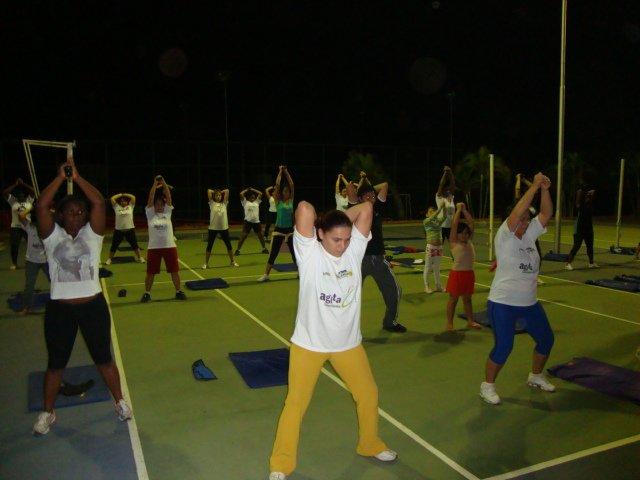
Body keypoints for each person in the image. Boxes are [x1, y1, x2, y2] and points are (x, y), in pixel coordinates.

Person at [267, 196, 396, 480]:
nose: (342, 246)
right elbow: (304, 208)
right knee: (295, 404)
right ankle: (282, 463)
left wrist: (340, 222)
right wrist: (329, 221)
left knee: (368, 394)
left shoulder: (353, 251)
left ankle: (369, 444)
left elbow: (367, 208)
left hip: (348, 346)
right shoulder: (309, 253)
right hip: (309, 346)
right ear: (320, 234)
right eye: (336, 239)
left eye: (347, 239)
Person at [33, 149, 131, 435]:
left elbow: (98, 202)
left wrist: (76, 177)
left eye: (80, 212)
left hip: (92, 307)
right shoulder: (52, 237)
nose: (76, 216)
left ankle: (120, 402)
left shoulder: (93, 235)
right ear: (61, 215)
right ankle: (47, 412)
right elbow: (41, 205)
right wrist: (59, 178)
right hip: (60, 310)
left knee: (104, 359)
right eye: (70, 212)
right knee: (56, 364)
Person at [480, 172, 555, 405]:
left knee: (546, 339)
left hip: (529, 304)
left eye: (527, 219)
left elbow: (546, 214)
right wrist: (534, 186)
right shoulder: (505, 235)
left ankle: (535, 375)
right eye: (521, 219)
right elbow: (517, 212)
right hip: (503, 303)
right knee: (504, 347)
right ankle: (487, 386)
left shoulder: (530, 235)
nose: (525, 222)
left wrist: (545, 189)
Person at [348, 171, 405, 333]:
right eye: (367, 195)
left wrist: (366, 184)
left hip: (378, 259)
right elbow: (350, 187)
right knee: (348, 296)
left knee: (394, 291)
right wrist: (362, 184)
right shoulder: (355, 207)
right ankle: (345, 327)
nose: (371, 197)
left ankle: (389, 322)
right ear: (359, 198)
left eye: (373, 195)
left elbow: (384, 185)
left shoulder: (377, 207)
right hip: (358, 261)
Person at [141, 175, 187, 302]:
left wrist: (164, 182)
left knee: (174, 271)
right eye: (157, 204)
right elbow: (151, 197)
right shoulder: (150, 214)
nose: (159, 206)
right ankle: (147, 293)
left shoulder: (167, 212)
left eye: (161, 204)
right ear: (154, 206)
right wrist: (155, 184)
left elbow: (168, 195)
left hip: (169, 247)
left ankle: (178, 291)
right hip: (154, 248)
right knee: (150, 272)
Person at [446, 203, 482, 330]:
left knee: (467, 299)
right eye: (461, 233)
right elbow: (454, 225)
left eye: (466, 233)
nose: (464, 235)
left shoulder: (469, 241)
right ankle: (450, 323)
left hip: (469, 274)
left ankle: (470, 321)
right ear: (457, 234)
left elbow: (471, 223)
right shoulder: (454, 242)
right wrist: (458, 210)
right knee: (453, 300)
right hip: (457, 275)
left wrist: (465, 210)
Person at [258, 166, 296, 282]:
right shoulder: (278, 201)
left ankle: (301, 273)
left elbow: (292, 184)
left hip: (289, 231)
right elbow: (278, 185)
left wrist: (286, 171)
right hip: (279, 230)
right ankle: (266, 275)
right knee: (273, 253)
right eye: (285, 191)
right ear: (282, 193)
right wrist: (280, 172)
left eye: (288, 191)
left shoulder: (291, 201)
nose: (287, 193)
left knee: (295, 254)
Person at [18, 203, 49, 315]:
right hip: (31, 261)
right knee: (29, 285)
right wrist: (31, 208)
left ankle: (63, 305)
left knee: (55, 282)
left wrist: (46, 209)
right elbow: (21, 216)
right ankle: (26, 307)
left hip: (46, 261)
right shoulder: (30, 227)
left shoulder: (48, 227)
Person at [3, 178, 35, 269]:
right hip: (15, 227)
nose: (20, 197)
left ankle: (31, 262)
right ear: (16, 197)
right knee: (14, 245)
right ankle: (14, 263)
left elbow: (33, 191)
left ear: (25, 196)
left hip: (27, 227)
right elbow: (5, 193)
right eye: (19, 196)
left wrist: (23, 184)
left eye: (22, 195)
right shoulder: (13, 201)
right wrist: (16, 184)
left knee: (31, 245)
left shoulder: (28, 201)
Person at [203, 187, 238, 268]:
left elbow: (227, 191)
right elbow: (209, 191)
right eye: (217, 195)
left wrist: (220, 192)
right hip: (213, 228)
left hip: (224, 228)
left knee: (228, 245)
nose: (218, 196)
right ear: (214, 196)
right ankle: (206, 264)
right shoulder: (211, 203)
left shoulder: (224, 203)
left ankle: (232, 262)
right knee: (209, 246)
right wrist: (215, 192)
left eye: (219, 195)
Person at [105, 193, 145, 265]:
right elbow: (112, 199)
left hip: (130, 230)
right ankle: (109, 259)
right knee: (114, 246)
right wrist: (121, 195)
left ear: (127, 202)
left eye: (124, 201)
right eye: (121, 201)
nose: (123, 202)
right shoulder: (116, 207)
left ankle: (140, 257)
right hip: (118, 231)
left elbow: (133, 197)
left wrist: (125, 194)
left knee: (135, 245)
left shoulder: (130, 206)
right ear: (120, 203)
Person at [565, 187, 598, 270]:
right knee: (576, 246)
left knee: (590, 247)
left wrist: (590, 193)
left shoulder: (591, 204)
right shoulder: (580, 204)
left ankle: (591, 263)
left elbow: (593, 192)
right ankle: (568, 264)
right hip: (579, 229)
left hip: (588, 229)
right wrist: (582, 193)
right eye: (588, 195)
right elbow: (579, 193)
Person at [235, 187, 269, 255]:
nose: (253, 197)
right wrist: (247, 190)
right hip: (248, 222)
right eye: (252, 196)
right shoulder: (245, 202)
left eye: (254, 196)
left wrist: (253, 189)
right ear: (249, 197)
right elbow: (241, 194)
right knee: (243, 236)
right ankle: (238, 250)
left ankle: (264, 249)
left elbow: (260, 193)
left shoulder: (257, 202)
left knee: (260, 236)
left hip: (256, 222)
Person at [422, 203, 445, 293]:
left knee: (437, 268)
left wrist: (446, 206)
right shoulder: (426, 221)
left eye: (433, 211)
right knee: (428, 267)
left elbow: (445, 216)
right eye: (430, 212)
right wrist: (440, 208)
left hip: (439, 247)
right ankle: (426, 286)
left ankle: (438, 286)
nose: (433, 213)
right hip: (431, 247)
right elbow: (432, 217)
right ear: (427, 214)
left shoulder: (438, 221)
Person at [435, 166, 456, 253]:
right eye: (446, 190)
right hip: (441, 226)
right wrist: (445, 173)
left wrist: (450, 172)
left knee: (454, 246)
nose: (448, 191)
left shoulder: (451, 198)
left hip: (451, 226)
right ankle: (435, 260)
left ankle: (456, 259)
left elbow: (453, 184)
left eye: (449, 190)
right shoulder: (439, 198)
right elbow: (441, 184)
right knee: (438, 248)